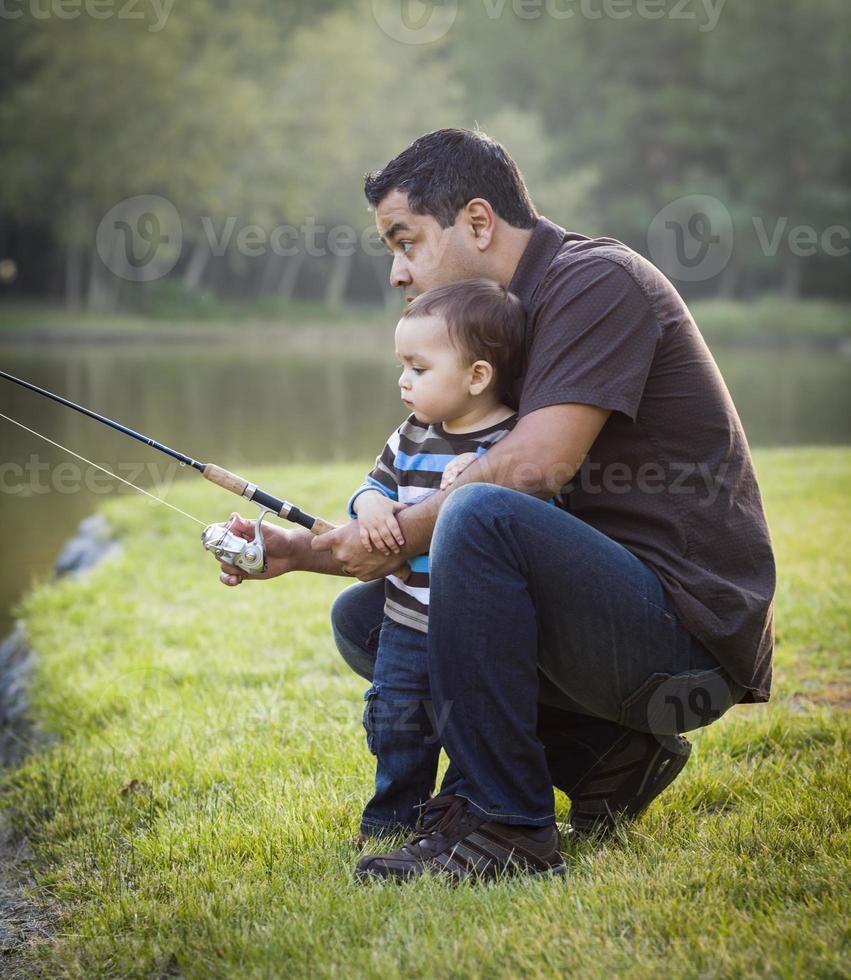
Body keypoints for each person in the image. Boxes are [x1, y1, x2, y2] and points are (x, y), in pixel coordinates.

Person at [218, 128, 776, 883]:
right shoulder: (500, 323)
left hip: (686, 637)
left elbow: (532, 469)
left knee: (478, 511)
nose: (396, 272)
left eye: (405, 240)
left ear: (478, 223)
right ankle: (608, 756)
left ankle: (507, 825)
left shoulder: (596, 281)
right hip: (613, 623)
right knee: (371, 621)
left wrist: (381, 540)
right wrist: (298, 552)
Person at [348, 277, 526, 843]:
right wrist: (372, 506)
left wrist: (473, 482)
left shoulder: (513, 441)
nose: (403, 380)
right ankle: (388, 819)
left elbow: (529, 518)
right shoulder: (410, 436)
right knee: (399, 719)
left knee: (471, 723)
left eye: (419, 369)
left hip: (472, 627)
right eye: (402, 365)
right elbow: (372, 487)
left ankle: (453, 812)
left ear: (478, 376)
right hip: (405, 618)